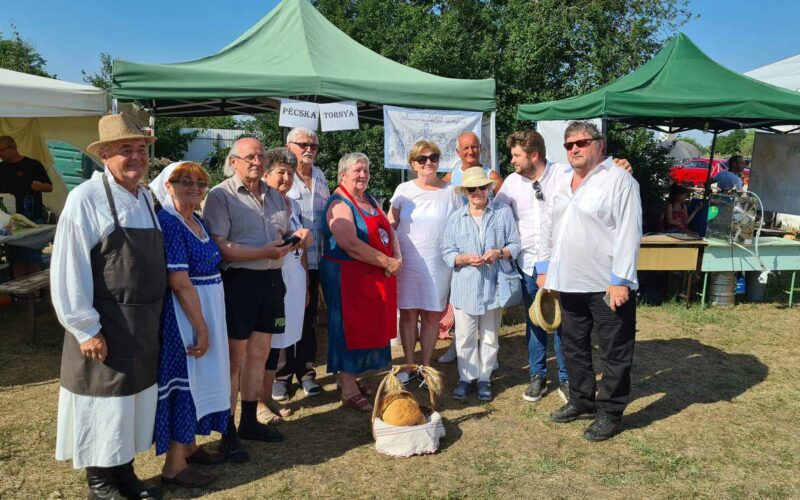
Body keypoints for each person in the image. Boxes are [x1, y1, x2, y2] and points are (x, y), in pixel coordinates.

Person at [50, 113, 162, 499]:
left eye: (140, 149)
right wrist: (85, 326)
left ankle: (124, 472)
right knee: (103, 406)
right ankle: (100, 483)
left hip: (142, 324)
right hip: (106, 323)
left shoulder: (145, 198)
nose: (136, 157)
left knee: (129, 404)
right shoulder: (86, 198)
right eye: (124, 150)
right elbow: (68, 266)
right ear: (104, 157)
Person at [496, 130, 634, 404]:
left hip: (564, 266)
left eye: (516, 155)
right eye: (569, 145)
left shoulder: (562, 174)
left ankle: (568, 377)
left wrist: (619, 166)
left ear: (533, 154)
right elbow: (493, 212)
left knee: (565, 326)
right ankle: (537, 375)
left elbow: (601, 183)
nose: (512, 160)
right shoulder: (511, 183)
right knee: (535, 321)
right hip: (530, 265)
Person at [545, 121, 641, 441]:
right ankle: (581, 399)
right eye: (569, 144)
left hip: (606, 283)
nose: (574, 149)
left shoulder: (619, 180)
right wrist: (548, 268)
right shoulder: (560, 180)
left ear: (599, 145)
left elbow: (629, 231)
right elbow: (553, 226)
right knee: (573, 347)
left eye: (581, 143)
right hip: (570, 280)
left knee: (615, 351)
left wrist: (620, 280)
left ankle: (611, 412)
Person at [202, 137, 297, 460]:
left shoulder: (275, 196)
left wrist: (292, 240)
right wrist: (263, 252)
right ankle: (227, 431)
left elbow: (278, 235)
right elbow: (219, 245)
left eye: (260, 156)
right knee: (234, 359)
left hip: (272, 280)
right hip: (239, 282)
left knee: (259, 355)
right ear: (234, 161)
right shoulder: (221, 195)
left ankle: (248, 422)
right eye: (250, 157)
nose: (257, 162)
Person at [147, 162, 230, 489]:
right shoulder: (169, 222)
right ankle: (174, 466)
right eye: (184, 181)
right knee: (189, 381)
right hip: (186, 313)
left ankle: (191, 447)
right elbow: (179, 280)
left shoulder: (196, 219)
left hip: (207, 304)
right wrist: (203, 327)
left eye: (199, 182)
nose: (194, 187)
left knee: (204, 379)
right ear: (168, 185)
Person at [321, 152, 402, 412]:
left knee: (365, 328)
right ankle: (347, 388)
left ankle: (352, 378)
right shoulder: (339, 203)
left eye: (366, 170)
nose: (363, 175)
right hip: (347, 278)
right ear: (342, 174)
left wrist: (396, 257)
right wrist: (386, 262)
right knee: (347, 329)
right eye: (357, 170)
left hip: (371, 275)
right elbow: (350, 244)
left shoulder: (369, 198)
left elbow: (389, 229)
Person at [442, 167, 520, 401]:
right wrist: (464, 259)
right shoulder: (456, 218)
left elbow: (515, 245)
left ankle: (485, 378)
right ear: (465, 192)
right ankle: (466, 378)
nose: (477, 192)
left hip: (493, 286)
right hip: (464, 287)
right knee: (464, 337)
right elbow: (447, 253)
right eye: (472, 188)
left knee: (490, 336)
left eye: (481, 187)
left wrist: (499, 253)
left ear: (489, 188)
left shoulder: (503, 212)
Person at [389, 140, 463, 384]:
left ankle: (426, 367)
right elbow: (391, 225)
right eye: (422, 159)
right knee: (409, 314)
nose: (428, 162)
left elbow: (459, 227)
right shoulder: (403, 190)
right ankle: (409, 364)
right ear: (413, 164)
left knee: (432, 316)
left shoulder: (451, 191)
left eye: (433, 157)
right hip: (408, 263)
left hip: (438, 264)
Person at [275, 127, 330, 400]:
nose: (309, 149)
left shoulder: (320, 176)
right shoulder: (281, 176)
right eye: (303, 144)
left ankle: (307, 373)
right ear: (289, 145)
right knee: (283, 317)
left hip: (316, 258)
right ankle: (281, 376)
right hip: (286, 262)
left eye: (314, 145)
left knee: (309, 318)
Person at [439, 131, 503, 364]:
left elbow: (505, 206)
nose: (470, 152)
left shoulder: (491, 175)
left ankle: (488, 356)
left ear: (480, 149)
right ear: (457, 152)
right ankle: (458, 347)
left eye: (474, 147)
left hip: (487, 248)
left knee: (488, 307)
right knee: (459, 302)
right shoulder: (450, 177)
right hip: (460, 244)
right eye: (465, 148)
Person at [259, 148, 312, 423]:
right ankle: (258, 402)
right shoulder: (261, 203)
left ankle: (267, 397)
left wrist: (303, 281)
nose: (287, 178)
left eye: (291, 173)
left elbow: (299, 248)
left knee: (280, 340)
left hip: (292, 279)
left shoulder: (291, 203)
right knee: (264, 344)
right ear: (265, 173)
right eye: (281, 172)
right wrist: (295, 238)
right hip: (269, 280)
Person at [0, 135, 53, 277]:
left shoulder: (33, 165)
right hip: (10, 222)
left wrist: (40, 186)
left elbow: (49, 187)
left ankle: (35, 293)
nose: (0, 155)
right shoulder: (1, 168)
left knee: (33, 259)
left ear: (12, 148)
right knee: (16, 261)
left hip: (32, 220)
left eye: (1, 150)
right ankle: (22, 296)